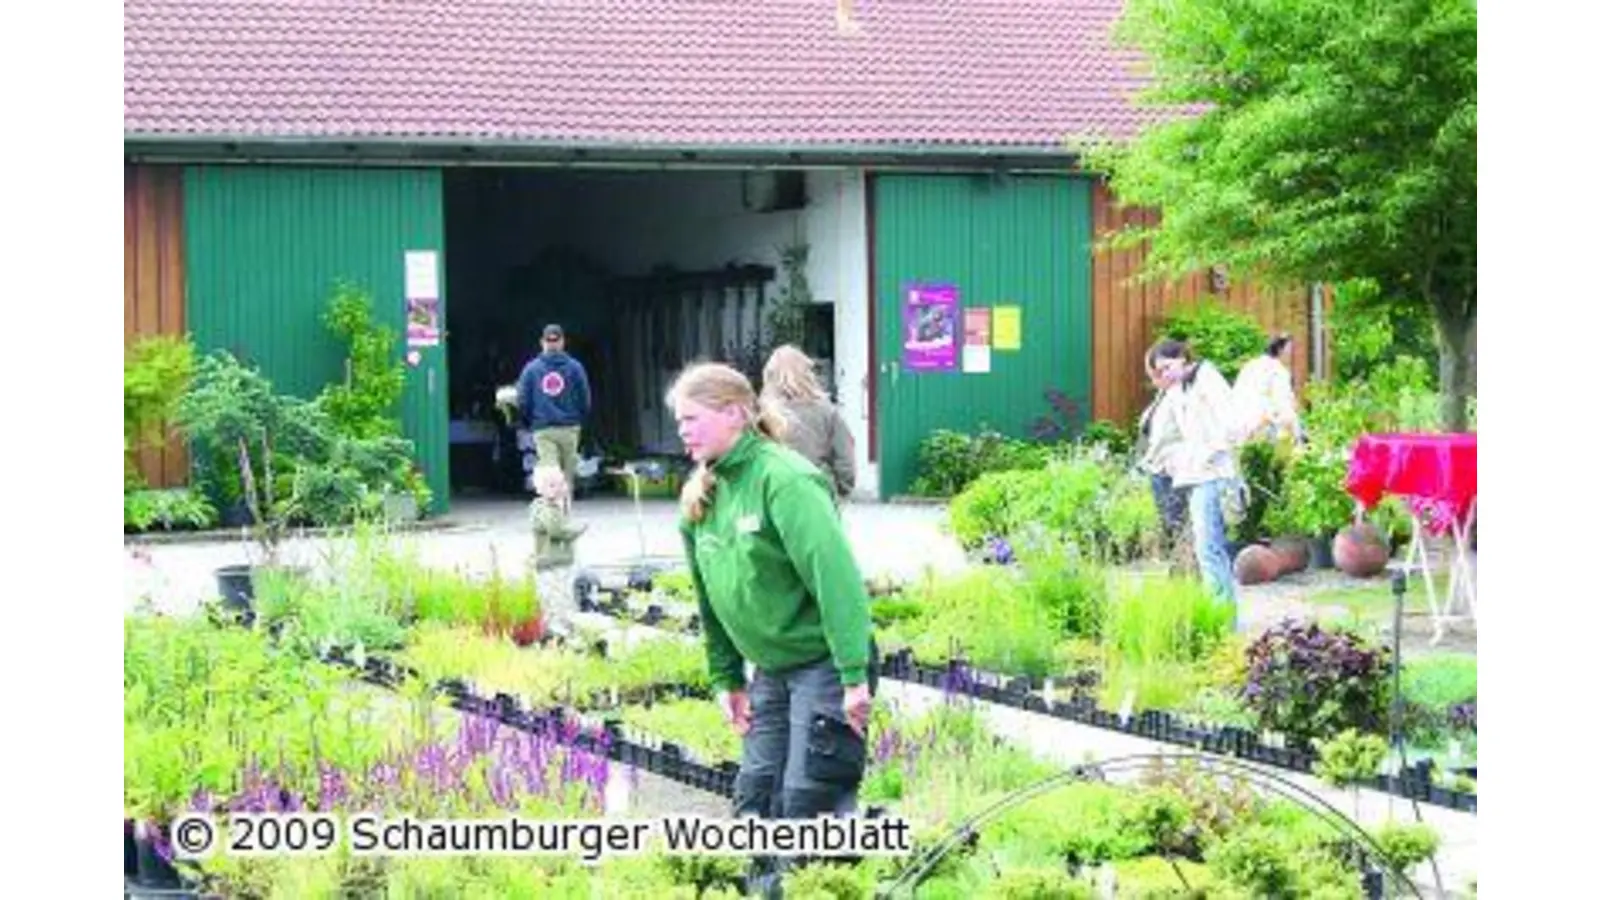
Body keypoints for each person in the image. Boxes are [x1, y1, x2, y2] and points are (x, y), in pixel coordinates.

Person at [669, 361, 877, 891]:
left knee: (810, 800)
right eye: (679, 421)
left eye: (693, 418)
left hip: (826, 664)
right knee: (758, 795)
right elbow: (710, 602)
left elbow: (838, 581)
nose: (682, 430)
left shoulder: (785, 480)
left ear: (736, 413)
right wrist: (727, 680)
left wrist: (855, 675)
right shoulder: (702, 498)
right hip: (773, 671)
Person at [1150, 340, 1241, 623]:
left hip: (1215, 473)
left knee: (1208, 549)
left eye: (1168, 366)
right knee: (1208, 548)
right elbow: (1167, 435)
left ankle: (1223, 619)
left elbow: (1231, 423)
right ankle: (1223, 616)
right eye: (1160, 371)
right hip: (1197, 475)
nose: (1166, 374)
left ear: (1182, 358)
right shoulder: (1178, 390)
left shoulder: (1207, 378)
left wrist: (1206, 453)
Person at [760, 345, 857, 503]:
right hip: (816, 491)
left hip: (773, 493)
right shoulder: (826, 411)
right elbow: (844, 458)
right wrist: (840, 491)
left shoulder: (761, 413)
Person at [515, 324, 591, 495]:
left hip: (544, 429)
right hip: (570, 429)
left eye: (551, 340)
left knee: (549, 474)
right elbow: (585, 399)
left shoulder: (531, 369)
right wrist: (579, 420)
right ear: (563, 342)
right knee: (567, 476)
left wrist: (529, 421)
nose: (552, 343)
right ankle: (564, 515)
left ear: (542, 342)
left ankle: (552, 515)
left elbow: (523, 401)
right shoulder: (575, 368)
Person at [1135, 346, 1191, 572]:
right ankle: (1181, 567)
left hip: (1172, 469)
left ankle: (1185, 569)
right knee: (1170, 522)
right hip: (1158, 468)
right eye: (1154, 373)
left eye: (1160, 372)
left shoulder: (1180, 395)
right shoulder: (1163, 395)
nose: (1157, 378)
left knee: (1178, 522)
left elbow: (1189, 432)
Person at [1232, 333, 1303, 444]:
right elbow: (1283, 404)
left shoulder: (1250, 365)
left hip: (1237, 426)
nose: (1292, 355)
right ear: (1280, 350)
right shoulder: (1277, 370)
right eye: (1290, 351)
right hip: (1260, 427)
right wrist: (1297, 434)